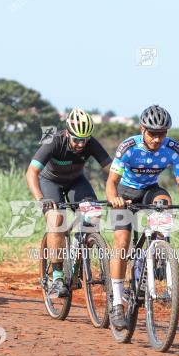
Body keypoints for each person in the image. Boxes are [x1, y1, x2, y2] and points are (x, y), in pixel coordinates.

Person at [105, 104, 179, 329]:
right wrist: (114, 199)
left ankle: (158, 251)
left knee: (164, 203)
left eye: (161, 134)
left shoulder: (174, 149)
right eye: (152, 134)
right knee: (122, 242)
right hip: (125, 193)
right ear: (142, 129)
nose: (157, 139)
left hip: (150, 190)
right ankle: (118, 302)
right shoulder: (128, 147)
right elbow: (111, 183)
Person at [26, 108, 112, 297]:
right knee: (56, 219)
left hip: (76, 181)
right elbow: (31, 172)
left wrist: (119, 192)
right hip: (51, 183)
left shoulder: (90, 143)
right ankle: (57, 276)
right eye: (77, 139)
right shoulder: (53, 141)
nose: (81, 144)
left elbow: (112, 171)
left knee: (94, 214)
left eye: (85, 140)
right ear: (67, 133)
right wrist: (41, 199)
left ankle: (78, 247)